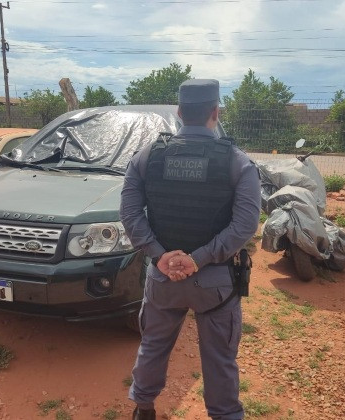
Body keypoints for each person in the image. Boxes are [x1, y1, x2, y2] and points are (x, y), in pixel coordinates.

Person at [119, 79, 261, 420]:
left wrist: (160, 254)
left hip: (163, 278)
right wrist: (198, 259)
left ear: (180, 113)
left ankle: (144, 408)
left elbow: (129, 212)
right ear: (216, 112)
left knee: (153, 346)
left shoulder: (146, 156)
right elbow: (244, 226)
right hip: (215, 284)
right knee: (220, 357)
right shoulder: (238, 163)